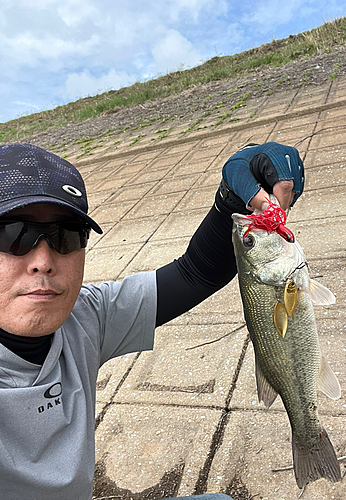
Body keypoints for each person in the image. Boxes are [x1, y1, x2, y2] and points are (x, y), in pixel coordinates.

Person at [0, 142, 304, 499]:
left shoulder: (83, 316)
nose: (43, 261)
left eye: (65, 235)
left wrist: (231, 201)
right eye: (11, 234)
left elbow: (195, 273)